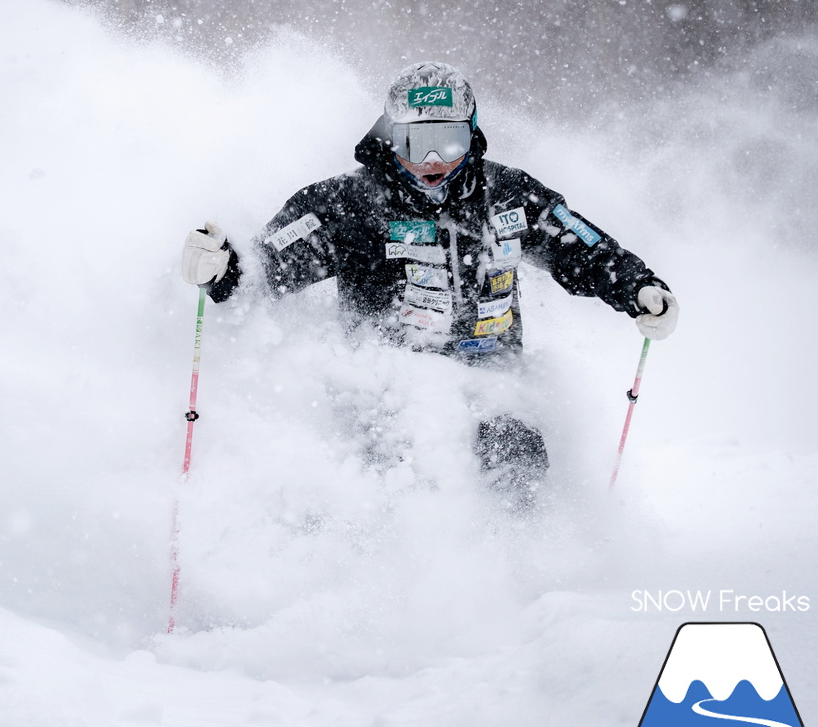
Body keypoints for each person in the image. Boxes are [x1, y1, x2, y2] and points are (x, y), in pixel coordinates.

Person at [180, 61, 678, 509]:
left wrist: (638, 288)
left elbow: (583, 246)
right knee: (398, 476)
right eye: (418, 143)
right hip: (388, 384)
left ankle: (527, 582)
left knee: (517, 459)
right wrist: (222, 270)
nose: (435, 160)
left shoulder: (509, 196)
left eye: (452, 141)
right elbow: (268, 269)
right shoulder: (347, 204)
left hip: (492, 373)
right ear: (391, 138)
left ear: (474, 134)